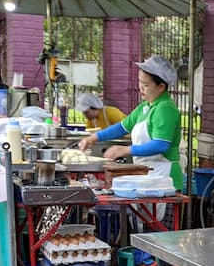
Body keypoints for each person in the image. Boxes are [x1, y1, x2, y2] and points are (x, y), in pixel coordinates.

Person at [78, 55, 182, 190]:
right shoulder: (145, 107)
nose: (141, 88)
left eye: (146, 85)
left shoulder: (165, 108)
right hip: (148, 175)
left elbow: (161, 144)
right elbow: (122, 127)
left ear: (161, 87)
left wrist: (125, 150)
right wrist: (94, 138)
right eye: (140, 82)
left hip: (165, 178)